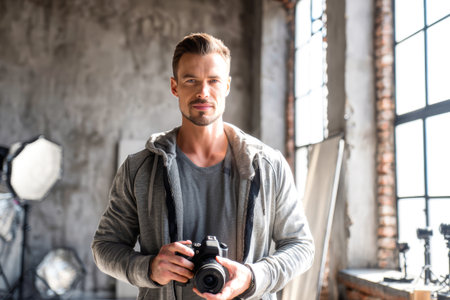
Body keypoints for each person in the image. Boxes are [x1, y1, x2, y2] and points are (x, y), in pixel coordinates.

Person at [91, 32, 314, 300]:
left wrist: (254, 276)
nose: (203, 92)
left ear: (227, 86)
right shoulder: (139, 169)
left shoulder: (269, 166)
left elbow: (301, 246)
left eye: (214, 81)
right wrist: (149, 268)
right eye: (191, 80)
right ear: (175, 87)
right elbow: (105, 247)